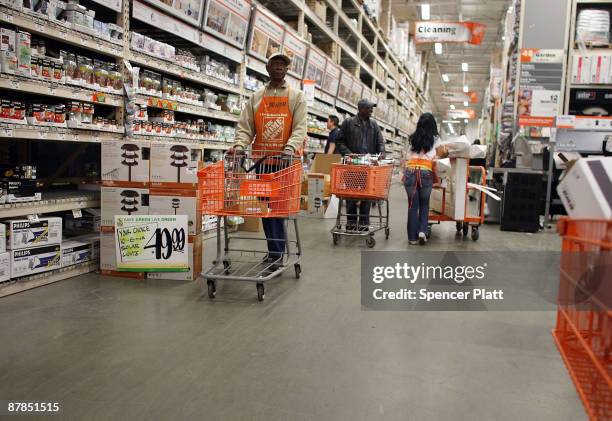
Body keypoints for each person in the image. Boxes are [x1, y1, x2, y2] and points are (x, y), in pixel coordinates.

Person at [232, 52, 307, 268]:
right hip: (262, 163)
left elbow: (300, 127)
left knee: (279, 209)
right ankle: (274, 251)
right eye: (275, 63)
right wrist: (239, 146)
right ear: (267, 68)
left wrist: (290, 148)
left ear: (287, 69)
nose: (279, 67)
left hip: (285, 164)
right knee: (266, 209)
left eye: (283, 64)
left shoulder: (296, 96)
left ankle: (276, 252)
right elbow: (246, 126)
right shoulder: (256, 97)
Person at [335, 99, 385, 231]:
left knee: (366, 197)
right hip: (352, 165)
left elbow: (380, 141)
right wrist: (350, 155)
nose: (371, 110)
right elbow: (339, 142)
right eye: (369, 108)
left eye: (371, 108)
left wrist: (381, 153)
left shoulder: (374, 124)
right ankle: (351, 224)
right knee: (351, 196)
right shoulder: (348, 123)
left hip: (368, 167)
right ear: (360, 109)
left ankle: (363, 224)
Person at [403, 113, 448, 245]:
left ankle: (412, 238)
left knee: (412, 205)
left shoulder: (412, 138)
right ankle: (423, 231)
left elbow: (406, 155)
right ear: (433, 125)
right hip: (425, 172)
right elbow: (442, 154)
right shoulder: (436, 139)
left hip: (410, 171)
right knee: (424, 204)